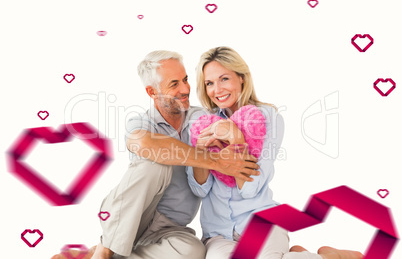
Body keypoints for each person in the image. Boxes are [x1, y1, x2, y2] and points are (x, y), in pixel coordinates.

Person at [52, 50, 261, 259]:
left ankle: (97, 253)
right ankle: (104, 251)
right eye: (174, 84)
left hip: (170, 227)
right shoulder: (141, 123)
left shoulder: (202, 118)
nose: (186, 89)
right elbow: (143, 143)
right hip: (133, 216)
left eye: (185, 80)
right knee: (155, 163)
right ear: (152, 92)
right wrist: (215, 161)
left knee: (193, 251)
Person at [186, 46, 364, 259]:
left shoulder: (268, 118)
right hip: (218, 233)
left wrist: (235, 137)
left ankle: (332, 256)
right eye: (209, 83)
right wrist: (199, 153)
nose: (217, 89)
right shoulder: (202, 124)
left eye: (224, 79)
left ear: (242, 77)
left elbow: (250, 189)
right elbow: (199, 190)